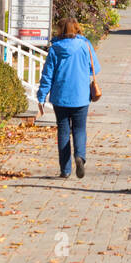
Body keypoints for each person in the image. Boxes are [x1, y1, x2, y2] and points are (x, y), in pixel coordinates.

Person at [37, 17, 100, 179]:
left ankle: (65, 170)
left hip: (61, 97)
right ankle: (80, 156)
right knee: (79, 129)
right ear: (76, 29)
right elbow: (96, 68)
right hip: (80, 96)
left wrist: (41, 96)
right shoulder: (85, 45)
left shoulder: (55, 48)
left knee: (63, 132)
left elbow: (47, 75)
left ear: (61, 30)